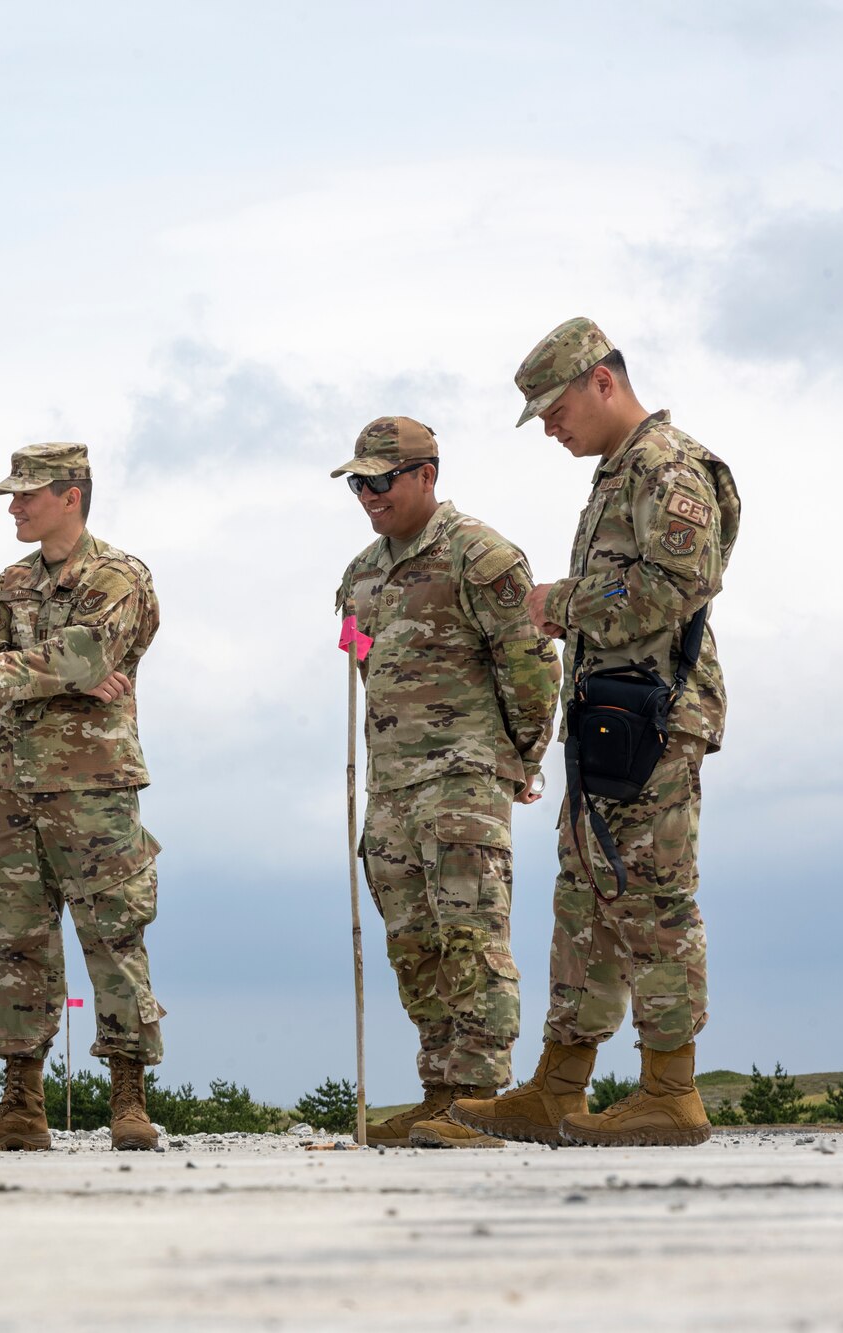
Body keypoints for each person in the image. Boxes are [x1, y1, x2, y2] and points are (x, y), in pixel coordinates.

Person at [452, 318, 740, 1147]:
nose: (548, 425)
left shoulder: (668, 467)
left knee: (651, 896)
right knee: (585, 901)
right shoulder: (620, 474)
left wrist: (559, 603)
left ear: (603, 382)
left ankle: (671, 1089)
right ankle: (559, 1085)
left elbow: (673, 588)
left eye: (553, 405)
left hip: (654, 717)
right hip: (611, 720)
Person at [332, 417, 559, 1148]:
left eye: (382, 480)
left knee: (470, 934)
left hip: (463, 776)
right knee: (414, 941)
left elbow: (530, 664)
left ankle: (478, 1096)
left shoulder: (480, 556)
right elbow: (364, 667)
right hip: (392, 788)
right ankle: (440, 1091)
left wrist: (522, 757)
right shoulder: (363, 572)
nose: (369, 494)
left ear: (427, 475)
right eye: (359, 483)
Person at [0, 443, 165, 1152]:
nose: (14, 506)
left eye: (27, 495)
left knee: (113, 935)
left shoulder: (119, 575)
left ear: (71, 495)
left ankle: (128, 1097)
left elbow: (89, 654)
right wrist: (56, 672)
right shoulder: (0, 587)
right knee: (13, 943)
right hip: (11, 787)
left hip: (95, 786)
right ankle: (21, 1104)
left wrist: (20, 668)